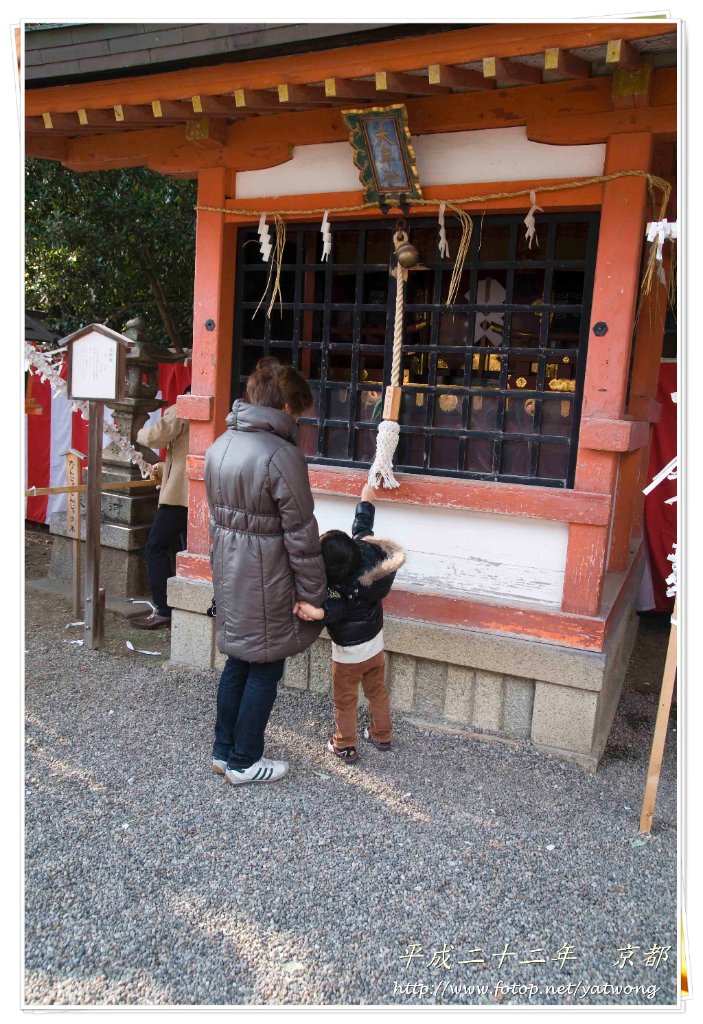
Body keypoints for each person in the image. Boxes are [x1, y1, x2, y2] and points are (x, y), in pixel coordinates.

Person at [204, 358, 326, 787]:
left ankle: (224, 752)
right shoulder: (281, 455)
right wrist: (313, 595)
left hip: (230, 572)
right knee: (265, 667)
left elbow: (215, 523)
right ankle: (244, 761)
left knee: (239, 661)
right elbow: (301, 534)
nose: (298, 421)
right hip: (269, 575)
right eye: (298, 412)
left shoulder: (220, 445)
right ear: (286, 406)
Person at [294, 484, 405, 764]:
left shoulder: (337, 587)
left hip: (348, 656)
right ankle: (382, 734)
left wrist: (313, 611)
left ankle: (344, 744)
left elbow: (332, 610)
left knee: (345, 700)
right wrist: (366, 500)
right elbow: (362, 526)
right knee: (377, 692)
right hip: (375, 645)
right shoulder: (369, 554)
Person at [131, 389, 190, 630]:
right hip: (196, 490)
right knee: (182, 548)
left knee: (155, 547)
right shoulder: (222, 407)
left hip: (180, 495)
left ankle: (164, 609)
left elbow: (156, 436)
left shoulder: (187, 404)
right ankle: (180, 605)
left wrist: (134, 431)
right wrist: (164, 468)